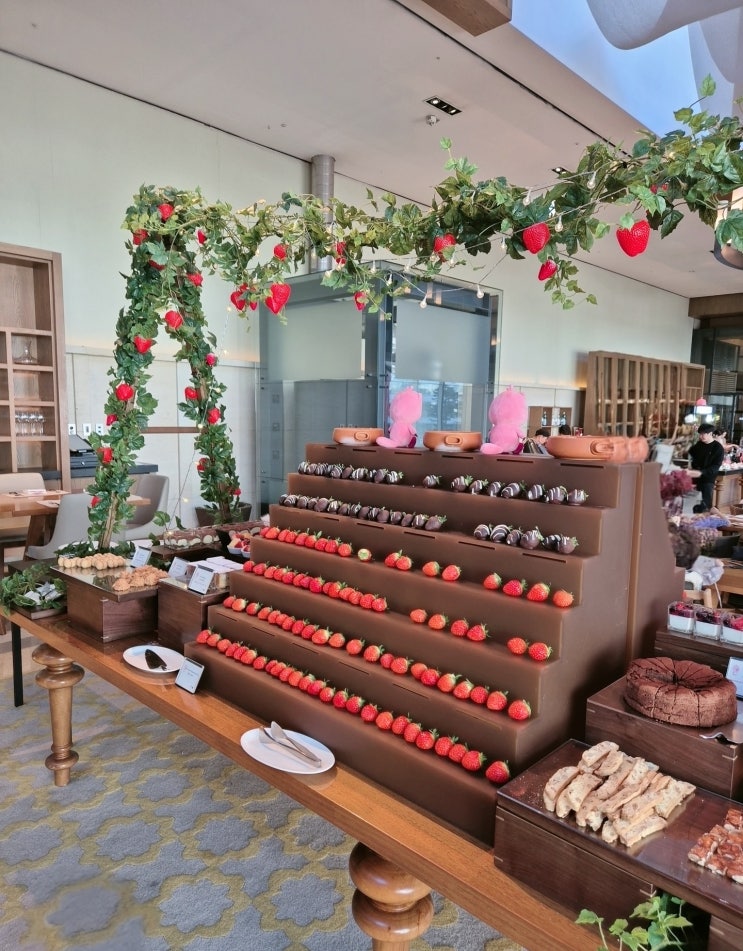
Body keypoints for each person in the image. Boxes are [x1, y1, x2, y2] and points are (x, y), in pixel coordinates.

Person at [688, 423, 725, 513]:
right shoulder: (698, 445)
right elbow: (689, 456)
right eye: (699, 434)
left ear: (710, 433)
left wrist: (701, 472)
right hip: (694, 479)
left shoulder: (718, 448)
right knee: (691, 506)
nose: (700, 436)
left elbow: (715, 467)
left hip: (707, 480)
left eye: (703, 434)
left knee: (704, 507)